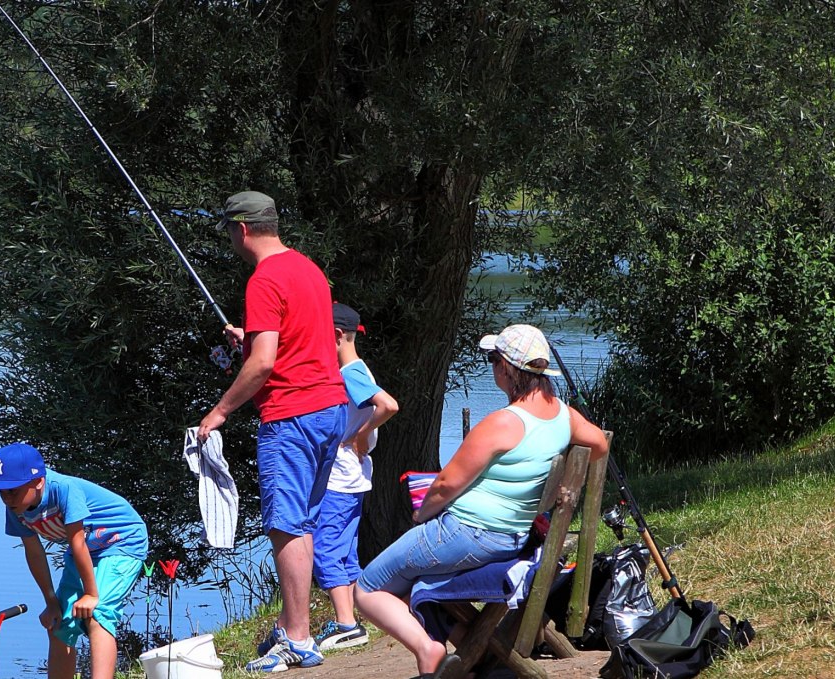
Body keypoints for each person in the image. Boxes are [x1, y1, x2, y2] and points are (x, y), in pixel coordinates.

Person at [353, 324, 609, 677]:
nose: (492, 368)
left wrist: (422, 516)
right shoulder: (564, 416)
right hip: (512, 537)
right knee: (414, 578)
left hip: (467, 533)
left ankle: (429, 650)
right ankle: (468, 655)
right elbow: (600, 444)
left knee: (367, 588)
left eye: (493, 359)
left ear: (508, 368)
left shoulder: (503, 422)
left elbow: (445, 485)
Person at [195, 190, 349, 672]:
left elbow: (263, 366)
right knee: (303, 520)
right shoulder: (308, 269)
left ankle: (298, 638)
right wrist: (252, 335)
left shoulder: (263, 280)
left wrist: (219, 412)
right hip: (331, 410)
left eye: (228, 231)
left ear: (241, 229)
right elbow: (297, 339)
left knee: (286, 525)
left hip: (291, 416)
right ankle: (294, 627)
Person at [0, 442, 149, 679]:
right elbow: (34, 552)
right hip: (87, 547)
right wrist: (51, 601)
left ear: (38, 481)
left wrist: (90, 594)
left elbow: (77, 542)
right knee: (59, 623)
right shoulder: (16, 508)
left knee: (98, 614)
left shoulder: (64, 489)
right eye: (2, 492)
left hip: (121, 541)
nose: (7, 498)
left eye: (13, 490)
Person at [312, 303, 399, 651]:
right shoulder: (357, 367)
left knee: (325, 547)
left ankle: (346, 623)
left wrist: (363, 433)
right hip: (353, 476)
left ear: (335, 336)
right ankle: (351, 618)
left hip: (340, 475)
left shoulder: (350, 372)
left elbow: (388, 405)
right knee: (345, 548)